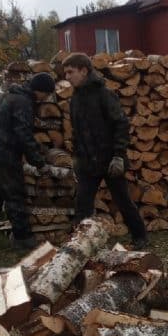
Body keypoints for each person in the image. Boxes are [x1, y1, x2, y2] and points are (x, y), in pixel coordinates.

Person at [62, 53, 148, 248]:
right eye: (65, 73)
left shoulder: (104, 94)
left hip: (110, 161)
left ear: (84, 71)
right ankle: (80, 245)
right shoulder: (75, 98)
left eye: (70, 72)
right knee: (83, 205)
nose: (67, 77)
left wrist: (118, 156)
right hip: (87, 162)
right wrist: (77, 157)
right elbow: (77, 131)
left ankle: (140, 236)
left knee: (123, 201)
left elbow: (121, 125)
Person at [0, 71, 55, 250]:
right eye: (47, 94)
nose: (46, 98)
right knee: (14, 195)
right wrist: (39, 163)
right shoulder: (23, 102)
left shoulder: (9, 96)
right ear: (41, 90)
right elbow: (24, 135)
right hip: (5, 155)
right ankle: (23, 239)